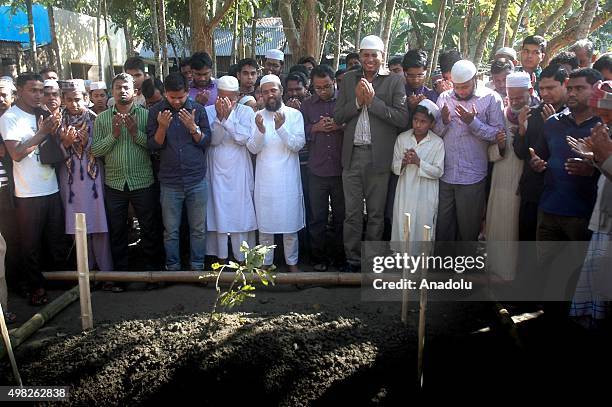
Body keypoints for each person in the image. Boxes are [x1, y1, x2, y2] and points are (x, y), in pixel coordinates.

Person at [529, 68, 603, 318]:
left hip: (583, 215)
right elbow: (539, 157)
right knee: (547, 273)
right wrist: (537, 164)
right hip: (548, 209)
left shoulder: (603, 127)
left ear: (596, 90)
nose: (572, 93)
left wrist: (592, 168)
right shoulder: (553, 123)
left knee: (577, 275)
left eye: (579, 88)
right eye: (570, 88)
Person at [334, 35, 409, 272]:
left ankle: (372, 261)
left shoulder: (395, 81)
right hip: (353, 155)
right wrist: (357, 102)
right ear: (359, 56)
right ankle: (353, 259)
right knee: (352, 213)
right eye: (365, 55)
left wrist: (373, 102)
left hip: (379, 157)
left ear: (382, 57)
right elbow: (338, 116)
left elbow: (402, 118)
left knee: (376, 213)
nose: (369, 59)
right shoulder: (348, 80)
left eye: (374, 55)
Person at [0, 72, 65, 305]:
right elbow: (16, 153)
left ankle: (56, 282)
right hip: (28, 192)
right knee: (30, 245)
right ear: (19, 91)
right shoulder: (10, 118)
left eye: (42, 91)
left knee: (55, 239)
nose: (39, 95)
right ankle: (35, 288)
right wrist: (42, 133)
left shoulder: (44, 113)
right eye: (33, 90)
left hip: (52, 186)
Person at [92, 73, 157, 289]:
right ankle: (121, 278)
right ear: (112, 92)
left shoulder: (146, 116)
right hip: (115, 183)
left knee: (149, 229)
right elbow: (96, 150)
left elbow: (153, 147)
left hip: (142, 181)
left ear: (135, 92)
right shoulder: (101, 119)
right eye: (118, 87)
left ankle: (151, 276)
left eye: (126, 87)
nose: (122, 91)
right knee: (117, 231)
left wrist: (133, 132)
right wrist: (115, 134)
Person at [434, 60, 505, 242]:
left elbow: (498, 133)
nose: (461, 92)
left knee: (468, 228)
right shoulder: (444, 98)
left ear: (475, 79)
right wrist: (444, 121)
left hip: (472, 175)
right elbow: (435, 134)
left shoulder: (491, 98)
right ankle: (443, 267)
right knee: (443, 226)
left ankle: (466, 268)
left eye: (465, 87)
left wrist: (473, 123)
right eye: (457, 87)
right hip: (445, 173)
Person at [147, 72, 211, 272]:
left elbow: (206, 141)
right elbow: (153, 145)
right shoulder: (156, 112)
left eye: (181, 97)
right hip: (170, 182)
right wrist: (162, 127)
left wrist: (193, 127)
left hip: (196, 179)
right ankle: (173, 267)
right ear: (165, 93)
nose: (176, 101)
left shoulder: (198, 110)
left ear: (187, 92)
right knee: (171, 231)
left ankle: (197, 266)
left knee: (198, 229)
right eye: (172, 97)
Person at [247, 74, 305, 272]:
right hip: (265, 181)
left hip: (288, 180)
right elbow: (253, 149)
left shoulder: (295, 115)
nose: (270, 95)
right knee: (265, 228)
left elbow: (297, 145)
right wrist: (261, 131)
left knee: (290, 228)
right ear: (261, 95)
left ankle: (292, 265)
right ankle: (265, 265)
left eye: (274, 90)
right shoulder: (257, 117)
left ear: (281, 91)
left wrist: (281, 129)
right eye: (265, 92)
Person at [568, 80, 612, 328]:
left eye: (603, 110)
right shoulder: (606, 130)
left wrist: (601, 157)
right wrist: (595, 158)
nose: (598, 115)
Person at [57, 80, 113, 274]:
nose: (74, 104)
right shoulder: (57, 122)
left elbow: (103, 150)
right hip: (70, 181)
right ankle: (85, 271)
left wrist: (88, 142)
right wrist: (65, 143)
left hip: (93, 179)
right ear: (63, 100)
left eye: (78, 99)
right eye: (70, 100)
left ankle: (105, 271)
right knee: (76, 225)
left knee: (99, 222)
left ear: (86, 99)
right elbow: (53, 156)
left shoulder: (96, 120)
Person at [485, 72, 532, 280]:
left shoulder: (537, 115)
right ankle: (495, 269)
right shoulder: (501, 115)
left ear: (530, 92)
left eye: (519, 98)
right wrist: (501, 145)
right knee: (497, 225)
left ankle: (510, 276)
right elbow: (491, 151)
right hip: (500, 177)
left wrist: (522, 129)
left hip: (521, 180)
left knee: (514, 228)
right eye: (511, 97)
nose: (514, 102)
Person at [205, 76, 257, 263]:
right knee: (217, 212)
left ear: (238, 95)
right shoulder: (208, 111)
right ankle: (219, 258)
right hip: (215, 169)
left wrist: (226, 119)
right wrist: (219, 118)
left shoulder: (246, 112)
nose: (226, 102)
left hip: (239, 170)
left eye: (231, 98)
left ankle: (242, 258)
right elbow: (213, 140)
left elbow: (243, 138)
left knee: (239, 213)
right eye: (222, 97)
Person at [513, 64, 568, 241]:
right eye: (542, 88)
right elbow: (522, 153)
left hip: (559, 196)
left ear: (565, 84)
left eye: (550, 88)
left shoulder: (572, 116)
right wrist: (522, 130)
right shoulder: (532, 114)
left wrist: (552, 127)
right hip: (532, 191)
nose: (545, 93)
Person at [301, 64, 345, 270]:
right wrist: (315, 128)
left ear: (334, 82)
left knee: (341, 217)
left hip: (341, 170)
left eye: (326, 86)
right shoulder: (307, 105)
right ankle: (318, 258)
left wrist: (340, 125)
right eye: (318, 88)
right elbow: (300, 132)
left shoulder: (345, 101)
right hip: (316, 170)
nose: (323, 91)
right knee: (317, 217)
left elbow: (354, 126)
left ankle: (339, 257)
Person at [391, 99, 444, 242]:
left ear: (431, 124)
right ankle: (402, 263)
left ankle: (422, 263)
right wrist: (403, 162)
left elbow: (438, 172)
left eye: (423, 121)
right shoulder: (402, 138)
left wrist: (419, 162)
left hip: (425, 194)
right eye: (415, 120)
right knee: (403, 227)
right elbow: (394, 167)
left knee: (423, 228)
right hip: (405, 190)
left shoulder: (437, 143)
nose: (418, 125)